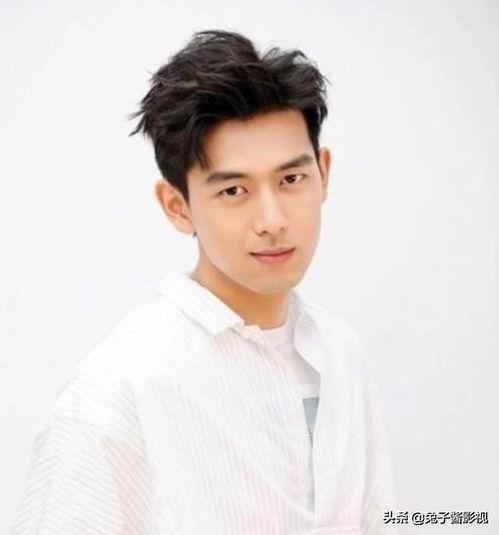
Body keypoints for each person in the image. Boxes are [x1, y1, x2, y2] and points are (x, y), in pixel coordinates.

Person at [12, 29, 397, 535]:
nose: (272, 220)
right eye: (234, 190)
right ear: (177, 206)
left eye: (291, 179)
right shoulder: (117, 395)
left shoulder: (341, 354)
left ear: (323, 173)